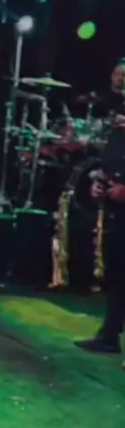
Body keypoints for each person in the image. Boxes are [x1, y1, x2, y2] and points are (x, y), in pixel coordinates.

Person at [75, 116, 125, 357]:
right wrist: (99, 185)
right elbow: (108, 167)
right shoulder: (118, 133)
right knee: (117, 276)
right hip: (118, 216)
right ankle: (109, 336)